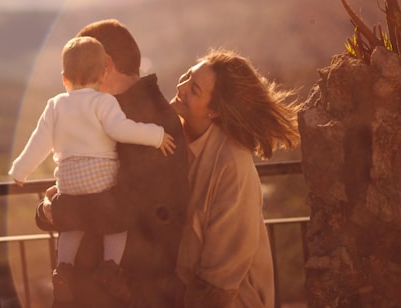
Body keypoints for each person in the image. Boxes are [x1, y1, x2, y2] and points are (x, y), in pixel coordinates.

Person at [35, 19, 190, 307]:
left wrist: (53, 210)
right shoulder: (118, 111)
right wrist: (51, 208)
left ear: (105, 65)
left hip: (131, 293)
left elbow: (126, 208)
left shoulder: (146, 121)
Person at [170, 48, 301, 307]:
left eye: (194, 89)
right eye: (187, 76)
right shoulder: (170, 138)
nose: (182, 87)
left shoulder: (232, 165)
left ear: (214, 111)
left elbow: (219, 280)